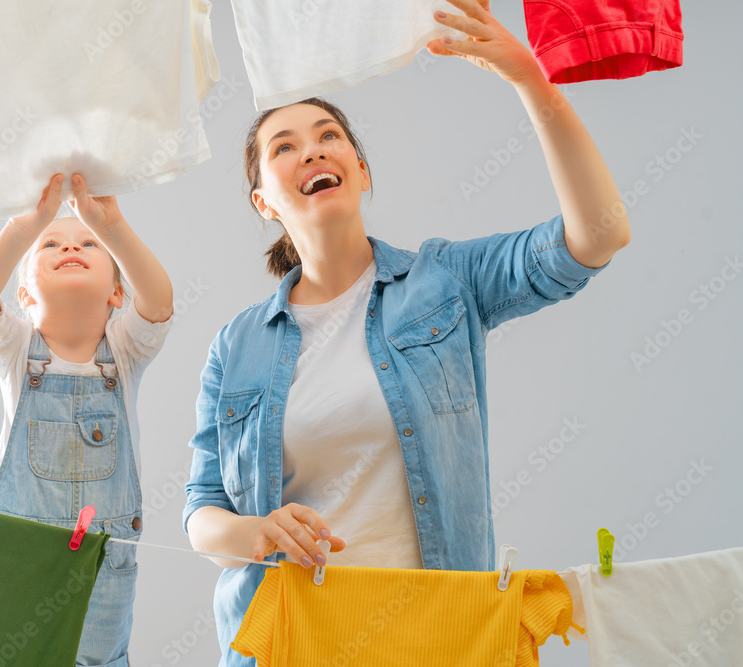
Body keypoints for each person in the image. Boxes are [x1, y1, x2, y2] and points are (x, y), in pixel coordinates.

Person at [181, 1, 631, 664]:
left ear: (359, 170)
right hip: (294, 643)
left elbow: (598, 235)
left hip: (439, 637)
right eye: (284, 146)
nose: (311, 149)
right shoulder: (237, 345)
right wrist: (256, 529)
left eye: (328, 135)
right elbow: (201, 517)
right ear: (264, 203)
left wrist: (531, 80)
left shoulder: (443, 282)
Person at [0, 173, 173, 666]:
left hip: (106, 566)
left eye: (89, 244)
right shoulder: (16, 350)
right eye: (50, 244)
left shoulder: (124, 352)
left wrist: (114, 227)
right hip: (21, 558)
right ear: (25, 298)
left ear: (117, 293)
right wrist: (21, 227)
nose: (69, 246)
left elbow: (159, 303)